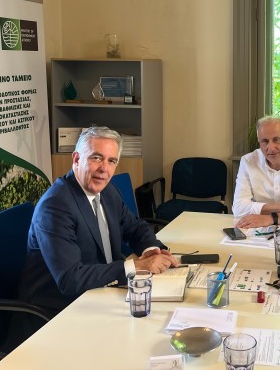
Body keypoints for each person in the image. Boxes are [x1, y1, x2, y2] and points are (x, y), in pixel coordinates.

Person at [18, 126, 178, 317]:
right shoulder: (55, 206)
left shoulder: (108, 191)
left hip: (102, 291)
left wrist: (151, 250)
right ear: (76, 159)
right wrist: (137, 267)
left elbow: (134, 227)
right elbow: (70, 279)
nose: (104, 169)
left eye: (111, 161)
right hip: (60, 310)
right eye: (96, 158)